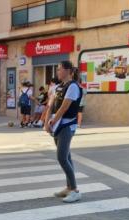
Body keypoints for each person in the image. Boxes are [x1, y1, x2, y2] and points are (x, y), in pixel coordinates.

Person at [44, 61, 83, 203]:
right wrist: (47, 122)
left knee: (62, 157)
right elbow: (51, 105)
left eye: (59, 69)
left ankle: (75, 190)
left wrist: (53, 122)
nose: (57, 72)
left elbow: (64, 107)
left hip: (66, 125)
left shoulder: (73, 86)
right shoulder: (58, 87)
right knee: (67, 157)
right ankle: (69, 187)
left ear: (68, 70)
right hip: (57, 125)